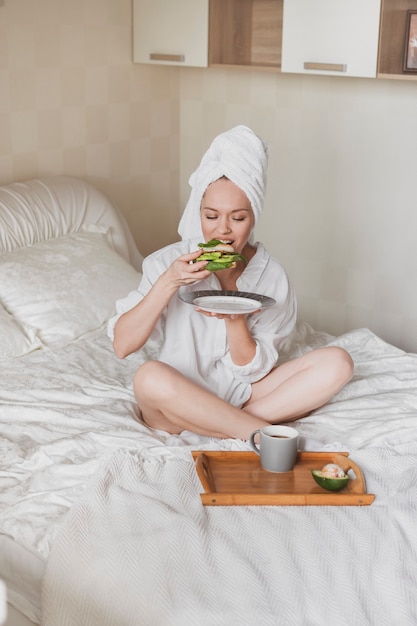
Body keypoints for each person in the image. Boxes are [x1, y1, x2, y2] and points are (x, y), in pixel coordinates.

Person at [108, 126, 353, 441]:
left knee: (338, 362)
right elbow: (122, 345)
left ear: (253, 217)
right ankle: (261, 434)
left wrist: (235, 318)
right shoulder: (167, 262)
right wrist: (169, 282)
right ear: (200, 213)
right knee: (148, 377)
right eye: (211, 217)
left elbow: (253, 372)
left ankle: (227, 426)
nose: (223, 231)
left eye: (237, 218)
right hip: (174, 403)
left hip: (243, 394)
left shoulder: (271, 276)